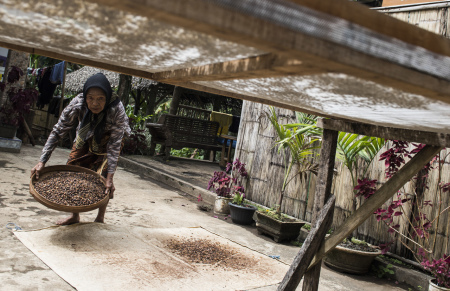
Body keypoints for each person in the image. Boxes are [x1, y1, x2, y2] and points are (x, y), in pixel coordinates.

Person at [31, 73, 131, 225]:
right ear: (85, 96)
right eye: (90, 98)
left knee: (103, 180)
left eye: (100, 99)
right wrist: (42, 161)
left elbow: (114, 145)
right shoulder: (78, 102)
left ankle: (100, 218)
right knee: (72, 169)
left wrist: (110, 177)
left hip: (109, 138)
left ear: (107, 97)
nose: (95, 103)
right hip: (86, 133)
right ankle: (75, 216)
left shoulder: (116, 109)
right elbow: (58, 130)